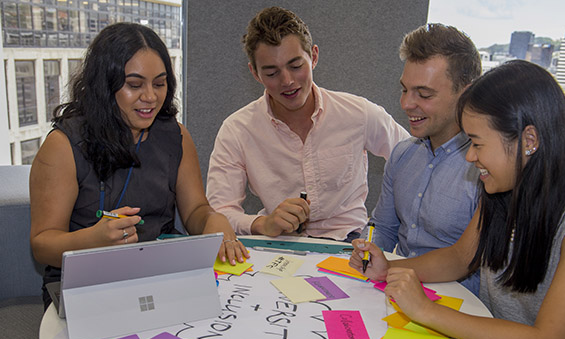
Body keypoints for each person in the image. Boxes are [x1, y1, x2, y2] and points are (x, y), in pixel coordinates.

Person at [350, 60, 565, 339]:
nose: (469, 158)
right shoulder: (502, 191)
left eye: (478, 144)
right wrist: (389, 269)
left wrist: (426, 310)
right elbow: (459, 257)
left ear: (529, 141)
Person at [30, 22, 248, 310]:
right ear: (105, 86)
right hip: (85, 286)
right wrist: (93, 240)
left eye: (159, 83)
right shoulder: (63, 145)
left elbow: (195, 210)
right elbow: (42, 244)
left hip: (158, 276)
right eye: (134, 85)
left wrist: (212, 220)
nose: (150, 97)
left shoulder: (176, 136)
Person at [206, 6, 409, 242]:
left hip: (348, 243)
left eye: (295, 66)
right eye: (271, 73)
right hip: (278, 244)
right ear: (255, 73)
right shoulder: (237, 130)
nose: (287, 81)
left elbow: (413, 160)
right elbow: (218, 213)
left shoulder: (358, 113)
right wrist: (264, 223)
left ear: (313, 56)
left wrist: (388, 225)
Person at [369, 23, 481, 294]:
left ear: (465, 93)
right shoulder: (402, 153)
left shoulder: (486, 167)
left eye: (424, 94)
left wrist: (389, 270)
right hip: (396, 289)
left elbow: (468, 261)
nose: (407, 104)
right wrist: (367, 250)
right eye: (405, 89)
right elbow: (383, 227)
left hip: (460, 306)